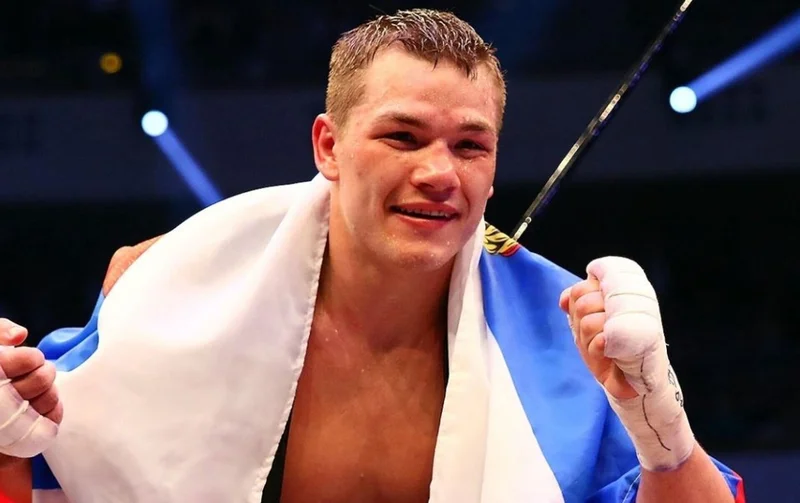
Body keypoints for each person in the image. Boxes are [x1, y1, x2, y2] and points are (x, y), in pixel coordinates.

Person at [0, 8, 745, 503]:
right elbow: (51, 463)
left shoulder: (565, 343)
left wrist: (660, 423)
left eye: (470, 145)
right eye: (402, 136)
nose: (439, 172)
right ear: (329, 146)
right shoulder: (180, 287)